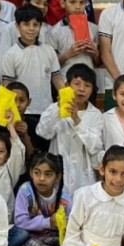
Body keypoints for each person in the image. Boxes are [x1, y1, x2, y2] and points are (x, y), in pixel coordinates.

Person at [0, 5, 65, 153]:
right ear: (17, 26)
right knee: (26, 153)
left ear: (41, 26)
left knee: (45, 152)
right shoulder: (11, 54)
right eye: (26, 24)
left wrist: (68, 98)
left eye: (35, 24)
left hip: (46, 112)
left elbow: (57, 80)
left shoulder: (48, 51)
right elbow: (6, 87)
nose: (31, 29)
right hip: (22, 113)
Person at [36, 64, 103, 197]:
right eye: (77, 84)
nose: (82, 89)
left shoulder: (95, 114)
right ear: (67, 85)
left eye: (87, 85)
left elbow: (95, 145)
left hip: (83, 176)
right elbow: (42, 132)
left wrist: (77, 120)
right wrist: (58, 110)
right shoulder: (54, 108)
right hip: (57, 171)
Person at [14, 152, 71, 246]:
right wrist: (48, 222)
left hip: (51, 238)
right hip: (31, 237)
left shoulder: (64, 199)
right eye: (37, 173)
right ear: (31, 173)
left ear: (57, 176)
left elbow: (71, 225)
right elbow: (20, 222)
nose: (41, 178)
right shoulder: (25, 191)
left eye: (48, 174)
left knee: (68, 244)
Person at [43, 0, 100, 78]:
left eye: (81, 2)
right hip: (65, 82)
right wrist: (69, 53)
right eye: (72, 2)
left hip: (89, 82)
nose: (77, 7)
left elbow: (98, 63)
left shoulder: (94, 29)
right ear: (62, 3)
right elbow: (50, 65)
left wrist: (95, 53)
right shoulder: (54, 31)